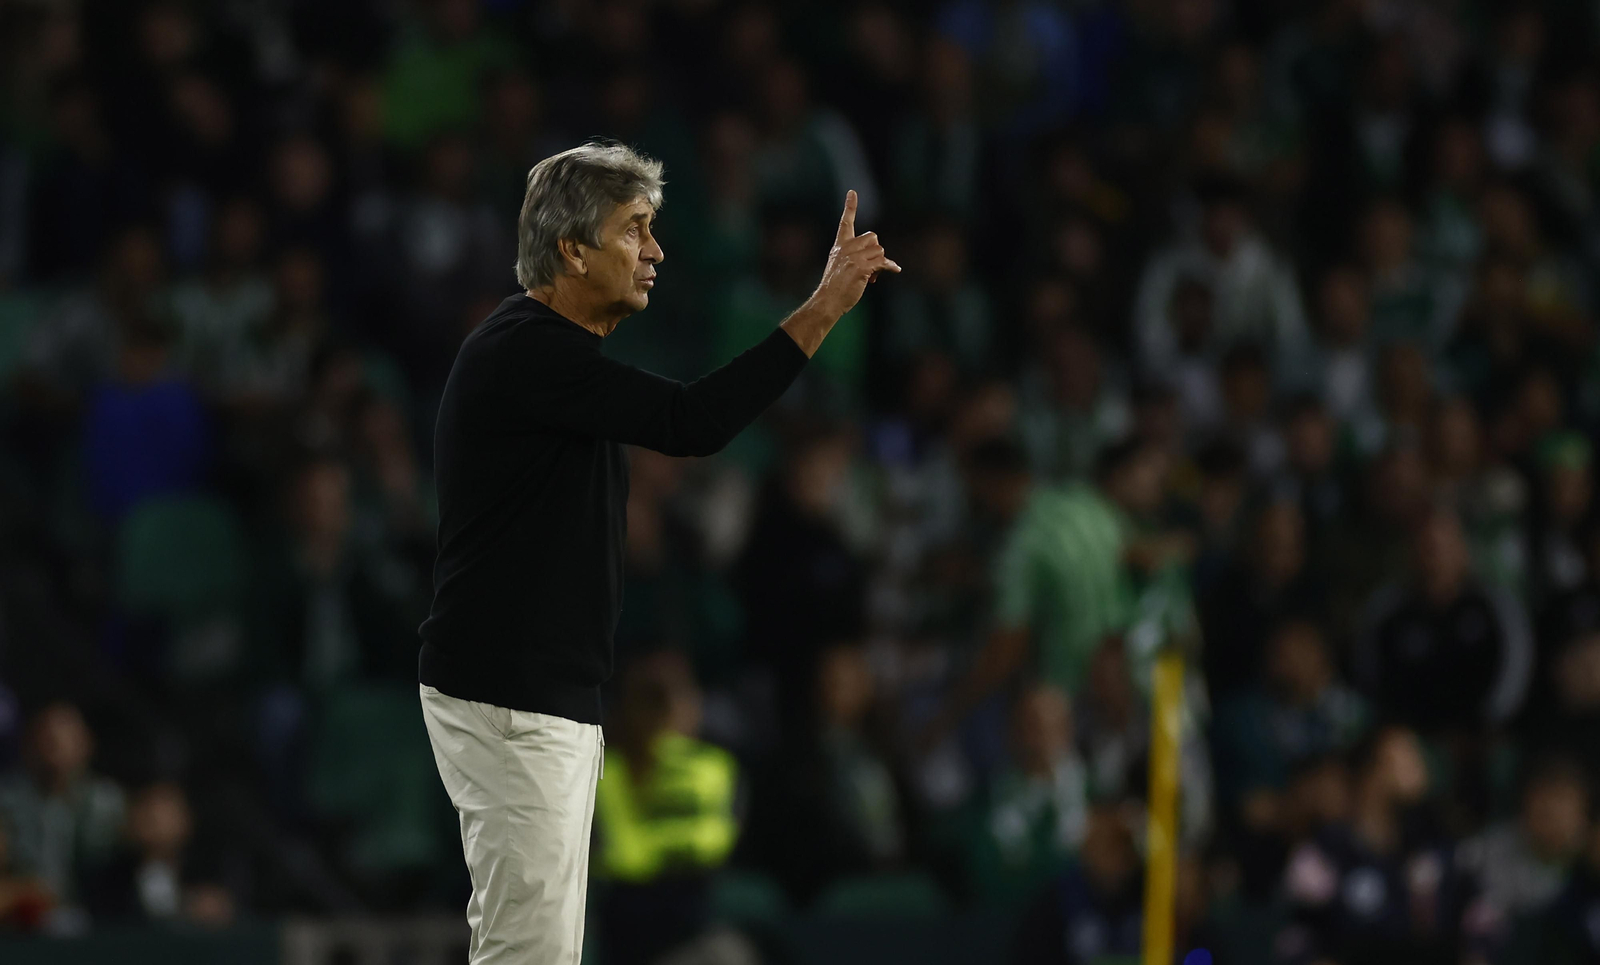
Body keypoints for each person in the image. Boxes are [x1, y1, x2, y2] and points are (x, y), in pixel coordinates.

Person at [417, 142, 899, 965]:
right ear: (572, 248)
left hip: (535, 695)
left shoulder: (541, 357)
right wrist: (823, 306)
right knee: (526, 955)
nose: (656, 250)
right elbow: (691, 423)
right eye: (636, 228)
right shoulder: (527, 351)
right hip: (513, 699)